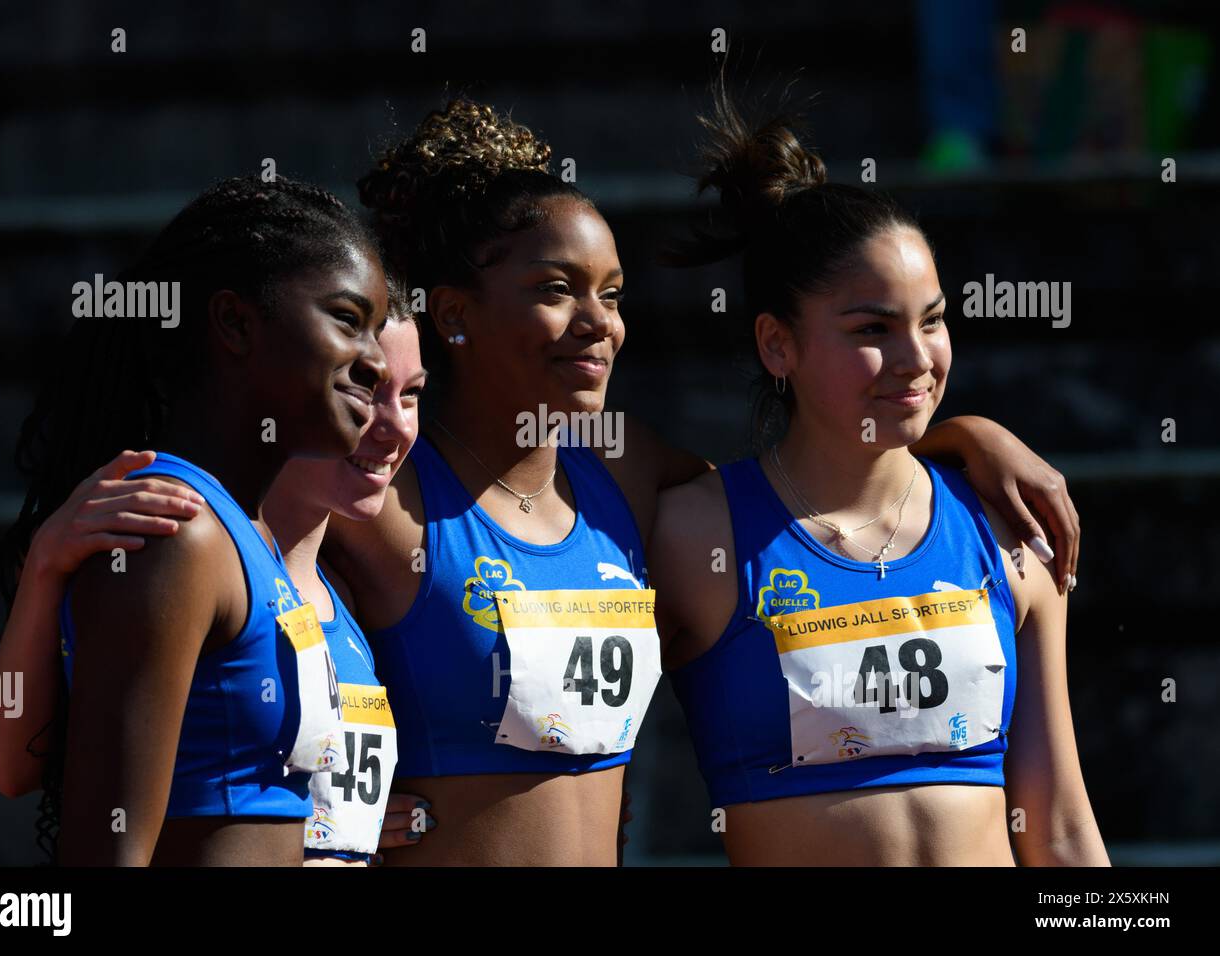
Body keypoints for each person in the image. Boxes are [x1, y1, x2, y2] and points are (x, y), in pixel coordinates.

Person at [316, 97, 1083, 865]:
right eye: (558, 289)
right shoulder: (379, 498)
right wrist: (326, 798)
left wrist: (967, 437)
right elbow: (260, 593)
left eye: (612, 295)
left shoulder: (629, 474)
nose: (599, 322)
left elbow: (852, 473)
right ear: (452, 313)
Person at [654, 89, 1107, 865]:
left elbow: (1061, 824)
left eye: (931, 320)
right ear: (777, 345)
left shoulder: (1007, 528)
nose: (916, 359)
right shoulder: (696, 536)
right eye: (872, 329)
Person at [0, 175, 389, 865]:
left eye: (379, 331)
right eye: (348, 320)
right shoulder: (176, 530)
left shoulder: (248, 536)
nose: (378, 363)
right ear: (235, 323)